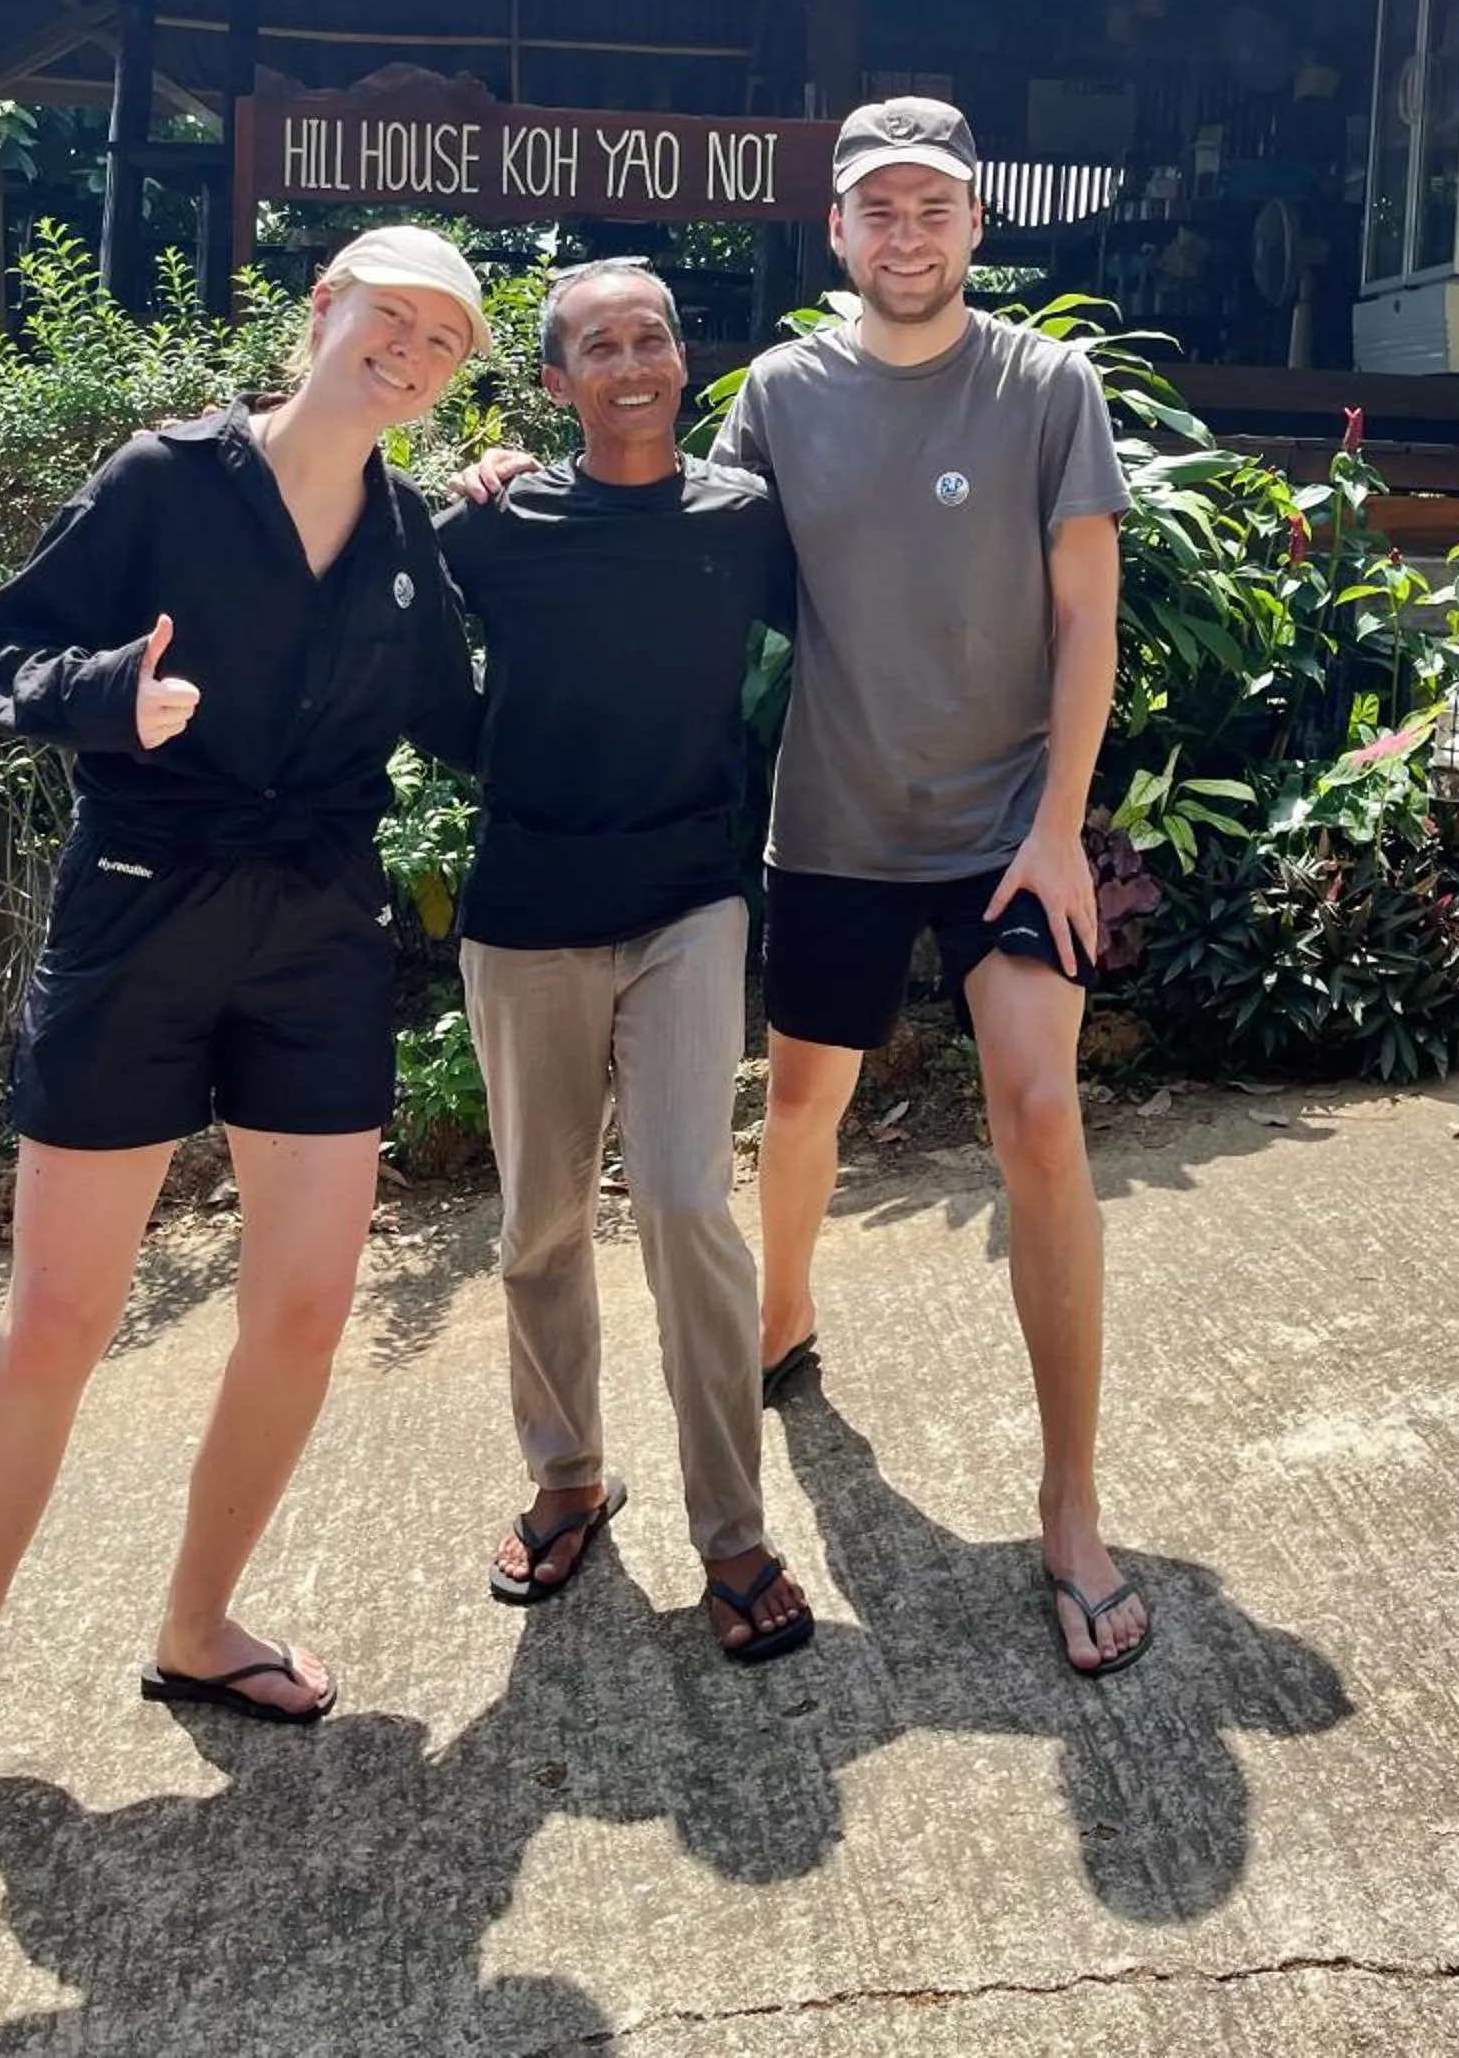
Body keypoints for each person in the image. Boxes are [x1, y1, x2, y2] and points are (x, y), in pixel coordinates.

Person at [0, 226, 486, 1880]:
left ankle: (199, 1627)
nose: (412, 353)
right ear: (321, 312)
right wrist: (103, 698)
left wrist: (536, 551)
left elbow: (462, 723)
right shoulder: (164, 480)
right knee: (55, 1325)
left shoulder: (408, 536)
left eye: (445, 342)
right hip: (139, 916)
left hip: (317, 935)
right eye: (392, 318)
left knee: (306, 1307)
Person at [716, 97, 1150, 1680]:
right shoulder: (777, 395)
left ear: (975, 223)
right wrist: (523, 491)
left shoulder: (1043, 385)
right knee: (801, 1107)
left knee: (1038, 1118)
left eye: (932, 208)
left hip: (1006, 826)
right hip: (833, 814)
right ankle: (781, 1312)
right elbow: (694, 556)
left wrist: (1059, 828)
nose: (905, 235)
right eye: (877, 210)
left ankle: (1069, 1499)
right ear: (835, 230)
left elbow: (1086, 615)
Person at [435, 262, 814, 1666]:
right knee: (538, 1220)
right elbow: (389, 620)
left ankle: (732, 1529)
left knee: (684, 1201)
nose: (633, 362)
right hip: (527, 906)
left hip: (685, 900)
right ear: (556, 383)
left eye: (651, 337)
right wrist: (485, 748)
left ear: (681, 360)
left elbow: (853, 630)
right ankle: (567, 1477)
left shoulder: (741, 517)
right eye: (599, 346)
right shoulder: (503, 522)